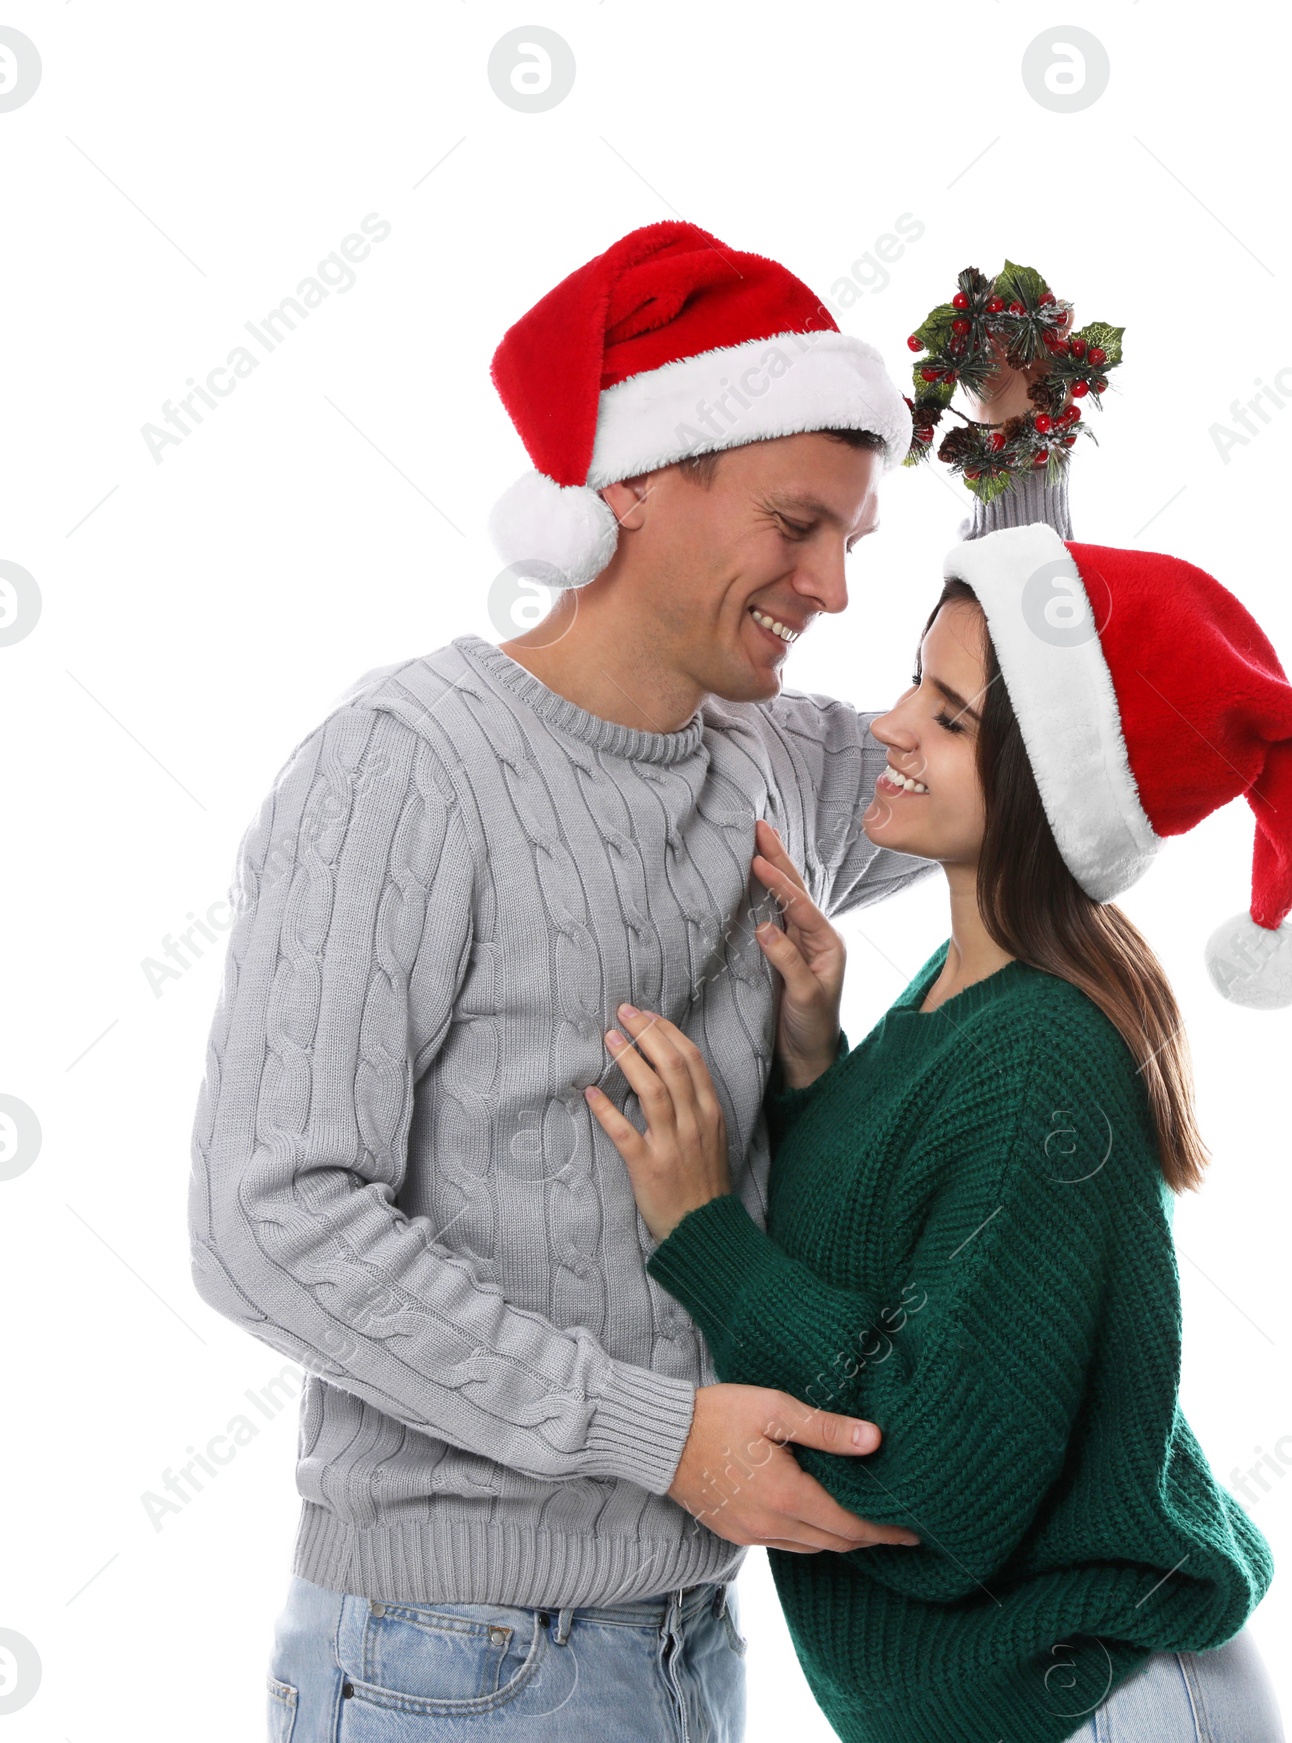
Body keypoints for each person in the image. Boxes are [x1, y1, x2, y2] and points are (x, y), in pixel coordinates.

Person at [188, 221, 965, 1743]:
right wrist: (664, 1436)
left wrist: (1025, 471)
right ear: (631, 480)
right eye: (796, 524)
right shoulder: (406, 768)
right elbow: (267, 1222)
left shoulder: (774, 760)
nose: (830, 587)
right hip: (452, 1657)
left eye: (852, 543)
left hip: (684, 1638)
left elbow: (1049, 757)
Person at [588, 506, 1292, 1740]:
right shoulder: (960, 989)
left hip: (1094, 1707)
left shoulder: (1044, 1049)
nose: (890, 727)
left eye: (948, 719)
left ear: (1052, 786)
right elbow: (910, 1265)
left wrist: (705, 1235)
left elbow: (935, 1469)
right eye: (912, 683)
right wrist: (812, 1062)